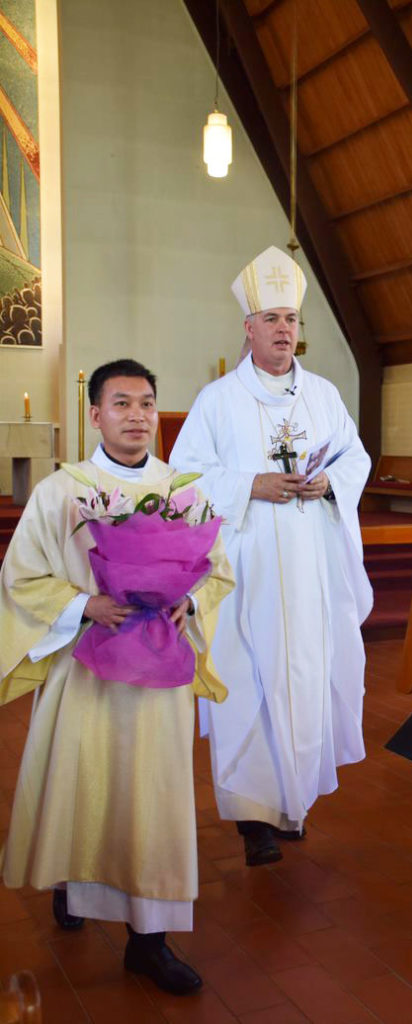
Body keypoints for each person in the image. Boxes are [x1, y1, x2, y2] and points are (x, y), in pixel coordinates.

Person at [0, 359, 234, 994]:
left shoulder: (184, 490)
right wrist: (85, 605)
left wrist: (192, 599)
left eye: (147, 404)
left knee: (154, 798)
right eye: (122, 404)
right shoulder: (63, 490)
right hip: (89, 673)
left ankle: (149, 941)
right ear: (96, 414)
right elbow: (19, 577)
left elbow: (216, 567)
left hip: (159, 674)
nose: (137, 416)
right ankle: (74, 884)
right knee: (87, 783)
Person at [171, 245, 373, 867]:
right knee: (246, 679)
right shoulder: (216, 402)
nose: (285, 330)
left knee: (304, 675)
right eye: (273, 320)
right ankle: (251, 816)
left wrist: (330, 484)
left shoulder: (325, 396)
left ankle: (292, 805)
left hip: (310, 563)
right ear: (249, 328)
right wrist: (248, 485)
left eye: (292, 320)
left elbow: (355, 458)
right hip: (246, 568)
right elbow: (182, 479)